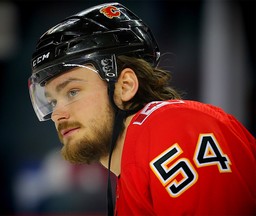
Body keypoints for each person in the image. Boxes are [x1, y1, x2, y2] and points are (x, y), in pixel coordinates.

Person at [28, 2, 256, 215]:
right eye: (53, 101)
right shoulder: (130, 175)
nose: (57, 114)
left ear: (125, 86)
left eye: (72, 92)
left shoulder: (171, 128)